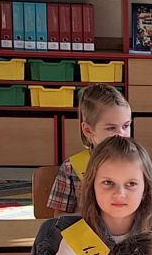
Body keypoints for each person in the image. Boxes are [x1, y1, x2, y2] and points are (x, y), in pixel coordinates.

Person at [45, 84, 132, 214]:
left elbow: (150, 210)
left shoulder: (139, 163)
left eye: (125, 126)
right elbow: (60, 218)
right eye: (111, 128)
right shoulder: (71, 168)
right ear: (88, 130)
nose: (121, 134)